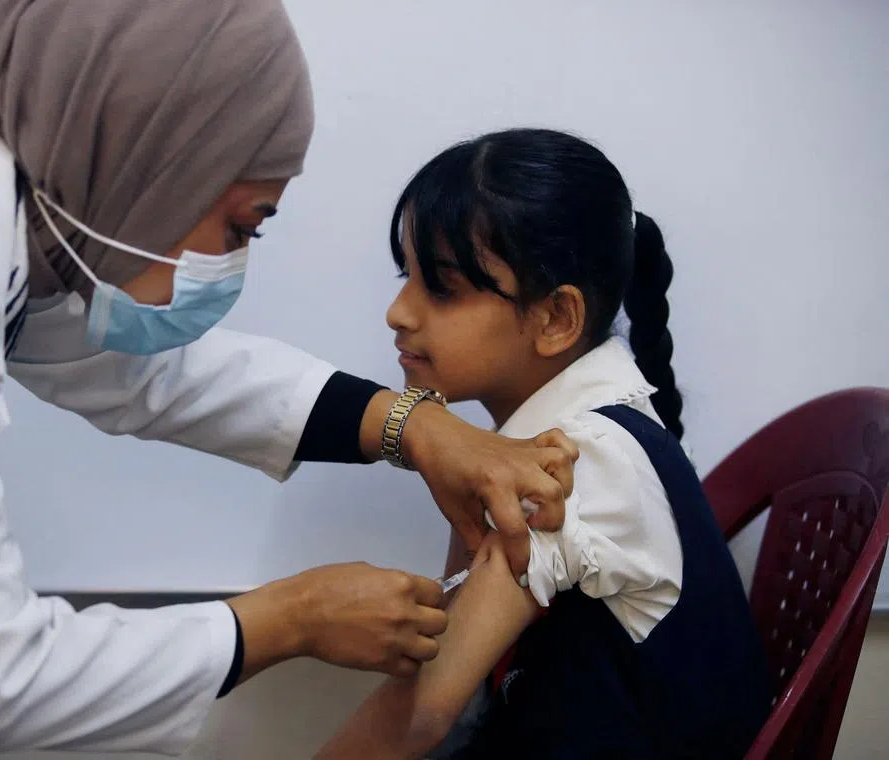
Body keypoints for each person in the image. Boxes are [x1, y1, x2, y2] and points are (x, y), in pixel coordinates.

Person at [0, 2, 579, 757]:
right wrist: (291, 618)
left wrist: (417, 428)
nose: (232, 262)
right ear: (153, 159)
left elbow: (145, 373)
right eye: (238, 224)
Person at [317, 128, 773, 759]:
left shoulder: (573, 466)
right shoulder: (551, 436)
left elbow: (421, 713)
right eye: (406, 275)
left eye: (441, 287)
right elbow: (453, 647)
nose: (398, 310)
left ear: (557, 318)